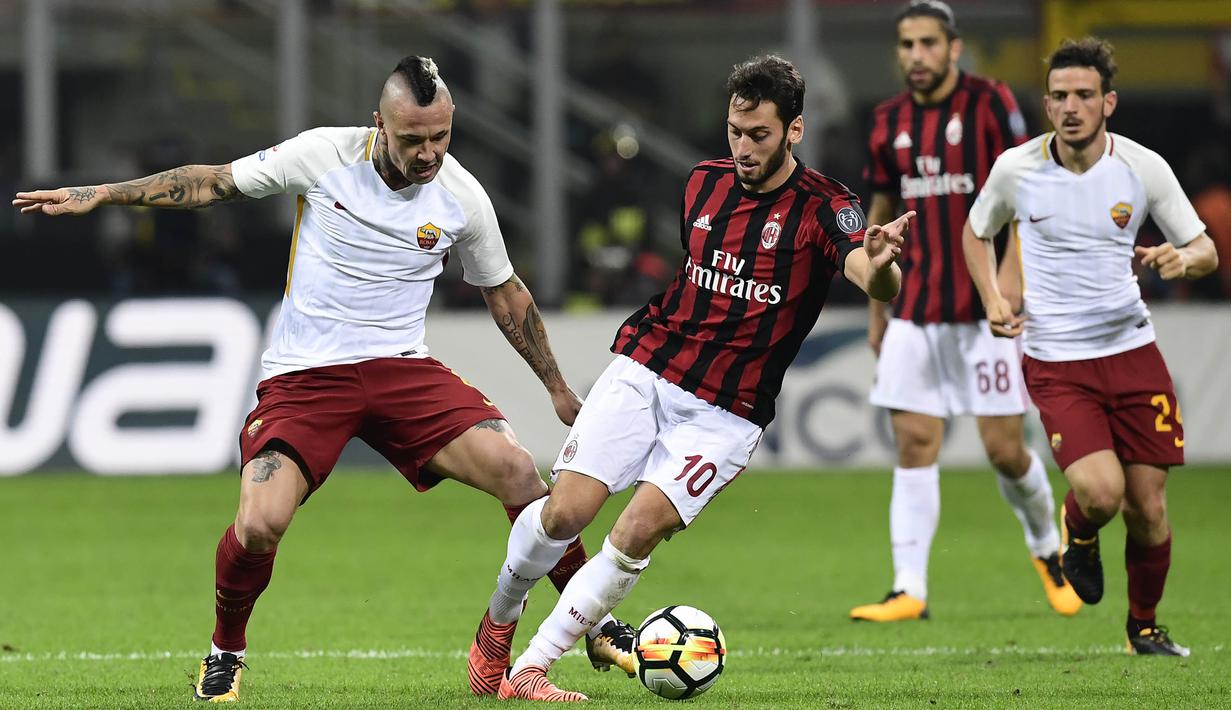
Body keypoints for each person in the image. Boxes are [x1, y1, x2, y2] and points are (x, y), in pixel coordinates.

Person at [13, 56, 634, 701]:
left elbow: (505, 294)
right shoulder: (323, 156)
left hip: (401, 369)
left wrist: (556, 386)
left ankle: (592, 620)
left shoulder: (462, 198)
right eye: (413, 138)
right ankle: (226, 648)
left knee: (518, 474)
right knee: (259, 525)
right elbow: (213, 183)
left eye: (441, 137)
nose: (429, 154)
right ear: (379, 125)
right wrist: (105, 193)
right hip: (307, 376)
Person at [466, 54, 915, 702]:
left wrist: (879, 265)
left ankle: (531, 670)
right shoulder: (703, 184)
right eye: (735, 131)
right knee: (565, 513)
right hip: (647, 367)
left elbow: (869, 274)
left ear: (793, 131)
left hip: (725, 413)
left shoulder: (825, 207)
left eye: (758, 134)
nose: (743, 147)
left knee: (637, 530)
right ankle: (497, 625)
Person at [963, 37, 1218, 656]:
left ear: (1109, 102)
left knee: (1148, 507)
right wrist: (995, 299)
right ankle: (1076, 534)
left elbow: (1205, 249)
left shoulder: (1141, 167)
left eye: (1083, 95)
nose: (1070, 106)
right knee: (1102, 495)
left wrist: (1181, 260)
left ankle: (1145, 627)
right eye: (1058, 96)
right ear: (1046, 105)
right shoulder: (1017, 169)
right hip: (1057, 361)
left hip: (1134, 354)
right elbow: (977, 233)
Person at [851, 0, 1080, 622]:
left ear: (953, 48)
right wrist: (877, 301)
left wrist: (1011, 282)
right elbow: (879, 208)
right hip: (915, 309)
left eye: (928, 43)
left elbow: (1030, 191)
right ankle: (909, 589)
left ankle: (1048, 549)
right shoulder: (886, 121)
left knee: (1004, 449)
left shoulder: (990, 104)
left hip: (986, 310)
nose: (916, 56)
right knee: (914, 444)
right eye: (906, 45)